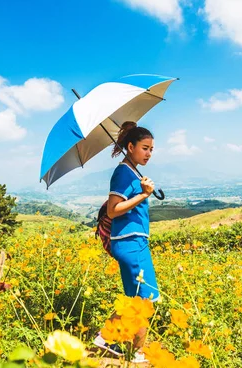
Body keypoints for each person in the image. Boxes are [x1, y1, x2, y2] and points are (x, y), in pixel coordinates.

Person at [93, 121, 159, 363]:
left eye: (151, 149)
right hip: (130, 243)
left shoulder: (131, 171)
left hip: (133, 242)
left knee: (136, 299)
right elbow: (113, 209)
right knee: (145, 300)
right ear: (130, 147)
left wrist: (143, 190)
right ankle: (138, 353)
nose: (149, 153)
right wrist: (143, 195)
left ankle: (105, 338)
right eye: (144, 148)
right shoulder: (123, 172)